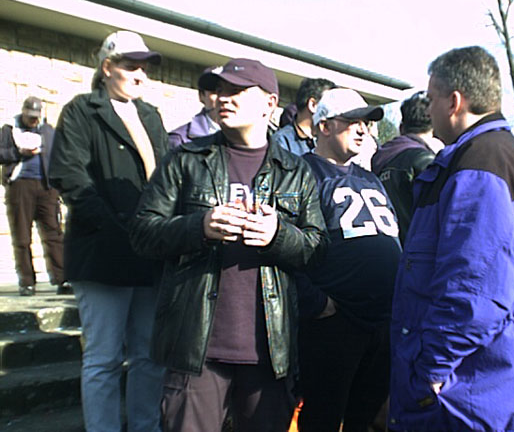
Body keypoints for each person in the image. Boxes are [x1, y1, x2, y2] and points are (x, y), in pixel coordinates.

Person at [129, 58, 328, 432]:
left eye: (237, 91)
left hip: (270, 353)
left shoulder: (296, 170)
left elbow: (317, 249)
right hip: (195, 350)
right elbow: (142, 233)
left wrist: (278, 236)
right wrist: (199, 227)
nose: (223, 98)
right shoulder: (186, 160)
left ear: (270, 103)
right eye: (219, 90)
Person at [388, 46, 514, 431]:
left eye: (431, 99)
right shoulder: (500, 154)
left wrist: (430, 370)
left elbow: (476, 289)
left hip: (475, 390)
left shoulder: (480, 163)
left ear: (454, 102)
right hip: (496, 379)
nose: (427, 110)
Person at [49, 30, 168, 432]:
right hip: (102, 254)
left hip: (150, 255)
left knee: (149, 354)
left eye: (144, 67)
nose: (140, 75)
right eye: (130, 66)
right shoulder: (82, 111)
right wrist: (118, 231)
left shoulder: (150, 115)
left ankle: (146, 427)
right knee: (104, 357)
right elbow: (71, 177)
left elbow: (166, 177)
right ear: (107, 68)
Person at [297, 88, 401, 431]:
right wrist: (315, 302)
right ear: (324, 126)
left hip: (382, 322)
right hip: (336, 323)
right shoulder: (301, 173)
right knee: (323, 419)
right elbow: (286, 245)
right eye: (352, 121)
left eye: (366, 123)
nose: (362, 130)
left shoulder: (370, 178)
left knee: (368, 420)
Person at [0, 97, 70, 296]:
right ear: (23, 112)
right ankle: (27, 282)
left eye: (35, 117)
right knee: (22, 236)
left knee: (53, 233)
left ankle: (62, 278)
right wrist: (19, 152)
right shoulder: (10, 130)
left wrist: (60, 186)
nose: (32, 120)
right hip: (20, 185)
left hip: (46, 187)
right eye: (29, 116)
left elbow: (59, 157)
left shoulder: (48, 131)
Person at [372, 91, 443, 245]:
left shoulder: (378, 159)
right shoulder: (426, 163)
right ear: (435, 127)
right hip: (416, 250)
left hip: (386, 248)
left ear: (401, 127)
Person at [271, 77, 335, 155]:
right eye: (330, 104)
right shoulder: (281, 142)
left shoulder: (327, 142)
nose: (335, 111)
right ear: (313, 105)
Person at [168, 66, 220, 149]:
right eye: (216, 91)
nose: (223, 98)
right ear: (201, 96)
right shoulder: (179, 141)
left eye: (231, 91)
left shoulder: (241, 138)